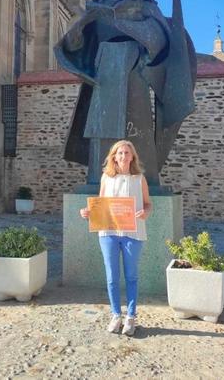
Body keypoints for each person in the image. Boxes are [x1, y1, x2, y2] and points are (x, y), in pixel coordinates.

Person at [54, 0, 197, 192]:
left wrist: (126, 25)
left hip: (134, 71)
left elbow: (159, 38)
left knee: (137, 128)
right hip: (104, 73)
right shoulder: (94, 9)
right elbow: (75, 44)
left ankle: (144, 181)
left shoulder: (145, 7)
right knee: (102, 131)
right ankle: (99, 181)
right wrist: (83, 23)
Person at [79, 139, 152, 336]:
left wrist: (145, 213)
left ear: (132, 157)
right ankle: (115, 315)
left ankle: (131, 317)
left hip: (132, 233)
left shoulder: (139, 179)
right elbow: (100, 205)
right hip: (109, 232)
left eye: (127, 153)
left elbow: (147, 204)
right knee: (112, 277)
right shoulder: (106, 177)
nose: (123, 156)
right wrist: (88, 212)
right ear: (113, 156)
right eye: (120, 153)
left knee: (131, 276)